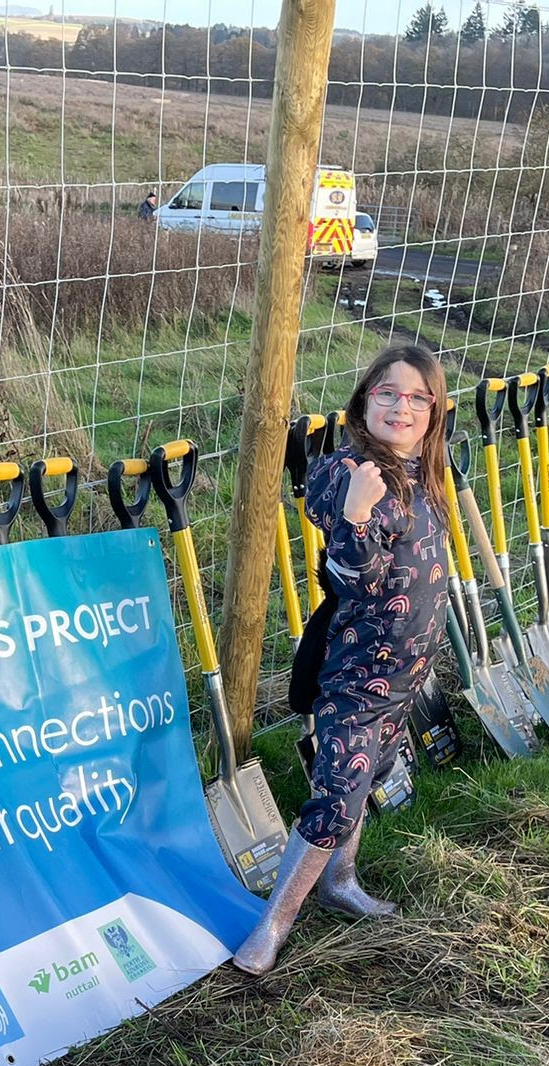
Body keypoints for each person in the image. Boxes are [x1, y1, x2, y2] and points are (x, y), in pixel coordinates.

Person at [233, 344, 452, 976]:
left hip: (405, 674)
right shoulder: (344, 471)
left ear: (434, 409)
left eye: (417, 397)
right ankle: (273, 922)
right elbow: (356, 577)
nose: (401, 407)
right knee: (335, 797)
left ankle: (340, 881)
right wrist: (356, 514)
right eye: (387, 393)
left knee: (373, 771)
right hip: (356, 672)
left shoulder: (424, 473)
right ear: (364, 401)